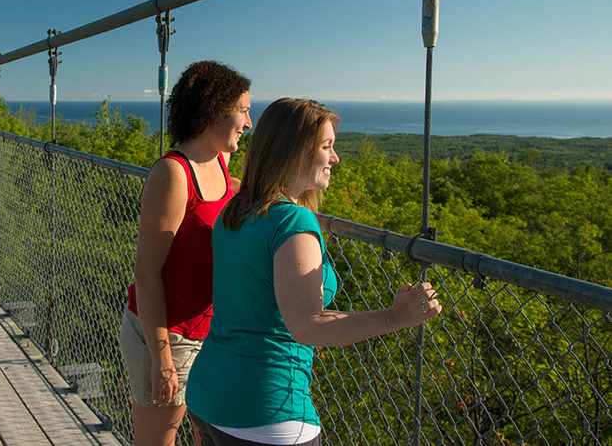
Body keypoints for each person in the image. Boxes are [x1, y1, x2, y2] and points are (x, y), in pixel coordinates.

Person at [185, 98, 442, 446]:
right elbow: (306, 326)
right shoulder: (292, 222)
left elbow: (265, 306)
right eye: (327, 146)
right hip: (267, 412)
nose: (334, 158)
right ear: (295, 151)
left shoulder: (238, 210)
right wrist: (395, 317)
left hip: (209, 395)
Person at [120, 61, 252, 446]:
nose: (248, 123)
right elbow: (146, 274)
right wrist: (162, 358)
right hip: (166, 334)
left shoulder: (220, 161)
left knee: (207, 432)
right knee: (160, 437)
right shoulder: (173, 174)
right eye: (243, 110)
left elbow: (239, 193)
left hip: (211, 332)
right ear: (214, 109)